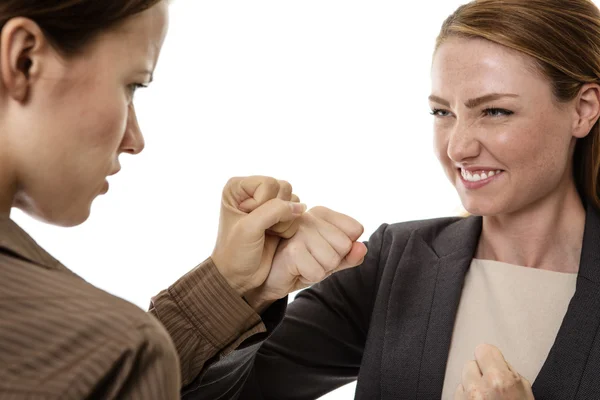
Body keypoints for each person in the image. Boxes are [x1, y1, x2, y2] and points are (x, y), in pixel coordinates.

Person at [179, 0, 600, 399]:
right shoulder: (394, 264)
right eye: (442, 113)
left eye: (494, 112)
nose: (457, 148)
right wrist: (246, 290)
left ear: (583, 109)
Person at [0, 1, 367, 399]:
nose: (134, 140)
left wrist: (231, 287)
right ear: (24, 59)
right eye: (131, 86)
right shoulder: (112, 354)